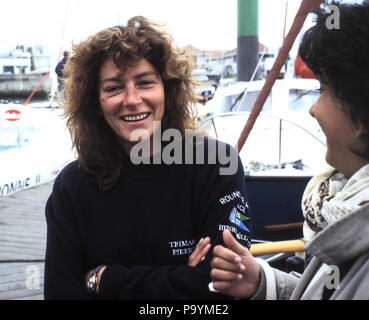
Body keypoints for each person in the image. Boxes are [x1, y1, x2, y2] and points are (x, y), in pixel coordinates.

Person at [44, 16, 251, 300]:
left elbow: (223, 287)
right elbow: (60, 293)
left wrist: (105, 280)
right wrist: (183, 280)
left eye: (144, 82)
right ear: (95, 102)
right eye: (114, 87)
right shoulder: (72, 186)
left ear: (168, 89)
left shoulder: (216, 165)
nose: (131, 99)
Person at [209, 1, 369, 300]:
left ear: (360, 115)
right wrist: (263, 282)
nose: (312, 109)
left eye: (322, 90)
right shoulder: (345, 211)